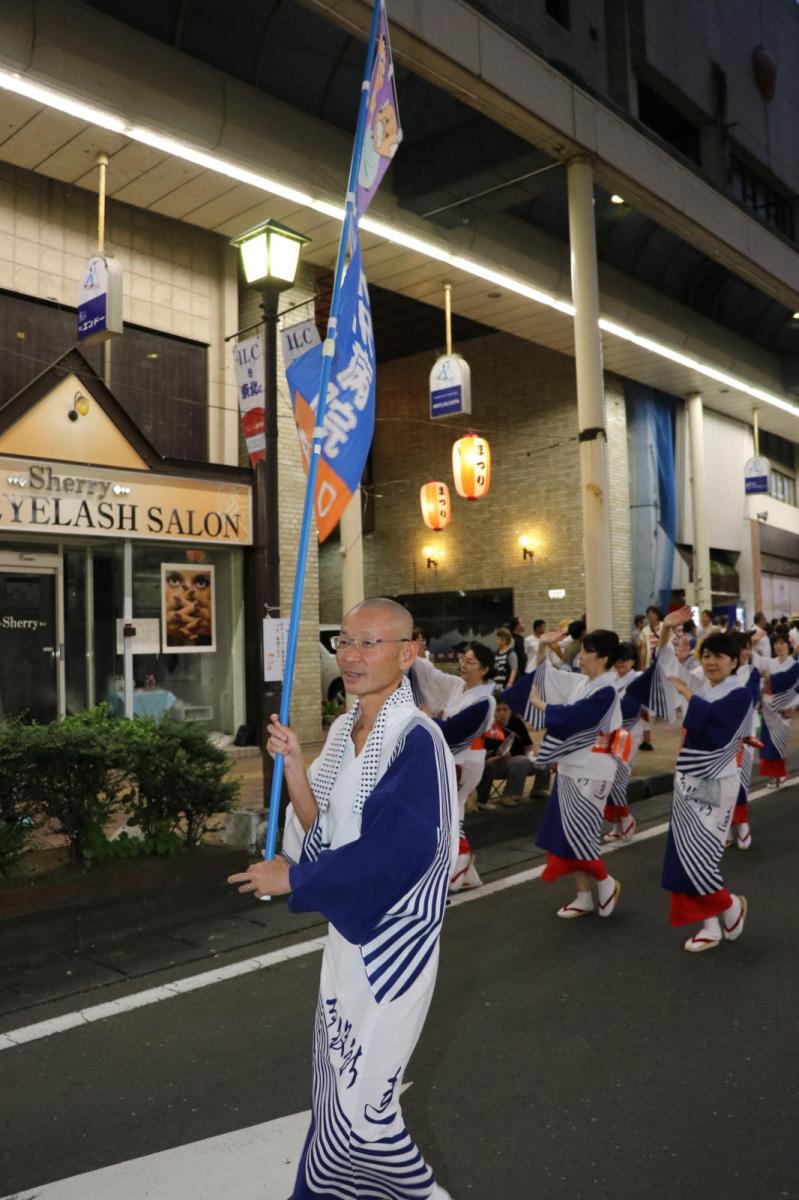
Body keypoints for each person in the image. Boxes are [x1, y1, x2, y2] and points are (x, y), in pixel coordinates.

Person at [229, 599, 458, 1200]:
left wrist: (296, 881)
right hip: (346, 943)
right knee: (335, 1096)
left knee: (369, 1114)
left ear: (407, 654)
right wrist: (295, 766)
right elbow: (326, 833)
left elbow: (398, 854)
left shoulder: (419, 741)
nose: (352, 656)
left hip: (393, 952)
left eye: (370, 643)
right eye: (345, 642)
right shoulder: (341, 731)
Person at [655, 607, 752, 953]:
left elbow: (716, 726)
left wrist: (686, 692)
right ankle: (711, 923)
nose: (711, 662)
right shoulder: (702, 684)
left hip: (715, 780)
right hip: (688, 777)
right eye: (707, 655)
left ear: (734, 661)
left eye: (719, 656)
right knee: (682, 853)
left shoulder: (739, 693)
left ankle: (728, 905)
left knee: (701, 854)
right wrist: (665, 630)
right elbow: (666, 667)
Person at [526, 627, 624, 920]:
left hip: (593, 768)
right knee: (562, 834)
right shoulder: (582, 682)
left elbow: (575, 717)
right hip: (571, 764)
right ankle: (583, 896)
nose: (580, 656)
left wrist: (541, 705)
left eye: (586, 652)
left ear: (603, 658)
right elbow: (545, 677)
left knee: (579, 834)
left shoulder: (607, 691)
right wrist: (542, 648)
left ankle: (604, 880)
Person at [411, 641, 496, 891]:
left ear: (484, 669)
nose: (464, 665)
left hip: (466, 760)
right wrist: (409, 652)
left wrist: (429, 717)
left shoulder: (484, 700)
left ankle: (460, 861)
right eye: (463, 660)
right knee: (453, 809)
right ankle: (468, 874)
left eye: (470, 662)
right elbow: (432, 675)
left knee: (448, 811)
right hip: (456, 758)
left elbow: (453, 731)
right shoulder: (459, 686)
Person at [603, 641, 655, 842]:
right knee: (610, 780)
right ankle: (617, 825)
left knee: (617, 780)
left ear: (633, 660)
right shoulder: (612, 680)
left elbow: (628, 710)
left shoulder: (638, 678)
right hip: (611, 735)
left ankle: (625, 819)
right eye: (617, 660)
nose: (620, 663)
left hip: (628, 735)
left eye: (624, 659)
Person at [727, 631, 762, 850]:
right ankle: (726, 826)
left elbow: (751, 699)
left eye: (748, 647)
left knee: (741, 780)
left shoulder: (751, 672)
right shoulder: (722, 674)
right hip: (723, 737)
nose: (746, 652)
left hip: (746, 735)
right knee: (724, 782)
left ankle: (741, 823)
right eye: (743, 648)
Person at [753, 624, 799, 787]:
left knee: (779, 743)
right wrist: (753, 642)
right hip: (768, 710)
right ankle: (774, 775)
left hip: (784, 709)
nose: (779, 646)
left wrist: (791, 706)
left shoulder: (793, 664)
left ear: (788, 645)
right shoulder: (769, 662)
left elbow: (795, 687)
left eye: (782, 643)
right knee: (767, 743)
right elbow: (754, 660)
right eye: (776, 643)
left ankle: (781, 774)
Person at [474, 699, 538, 808]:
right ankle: (510, 796)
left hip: (522, 762)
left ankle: (540, 790)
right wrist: (497, 758)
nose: (502, 713)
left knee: (545, 759)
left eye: (505, 709)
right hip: (495, 765)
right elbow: (481, 757)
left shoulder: (517, 723)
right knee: (521, 761)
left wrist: (533, 754)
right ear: (493, 712)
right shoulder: (487, 728)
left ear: (510, 711)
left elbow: (528, 745)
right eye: (498, 710)